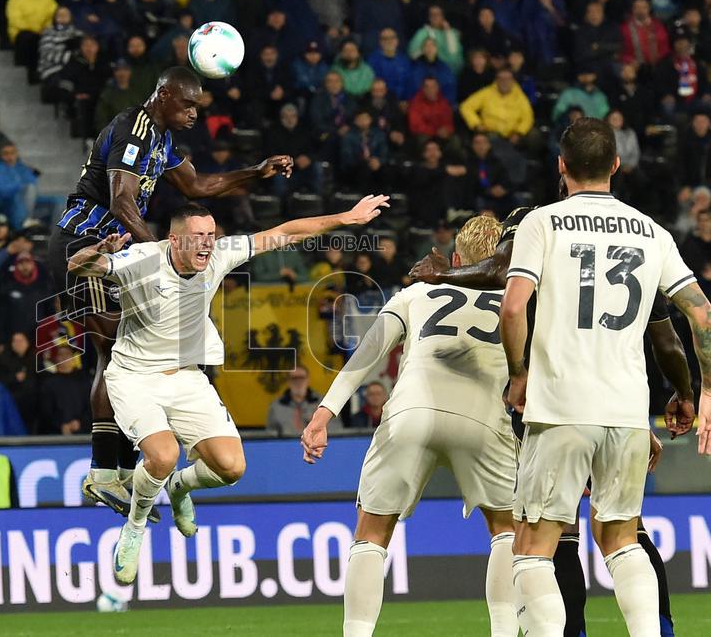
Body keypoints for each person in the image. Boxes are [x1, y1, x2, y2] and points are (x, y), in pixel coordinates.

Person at [409, 122, 695, 635]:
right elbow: (687, 322)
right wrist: (695, 393)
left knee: (537, 547)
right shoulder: (653, 232)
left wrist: (518, 376)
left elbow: (511, 298)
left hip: (558, 405)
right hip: (627, 410)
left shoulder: (540, 225)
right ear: (616, 164)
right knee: (625, 540)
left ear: (560, 166)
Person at [67, 195, 388, 583]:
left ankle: (178, 488)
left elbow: (284, 233)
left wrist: (346, 217)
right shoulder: (141, 261)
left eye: (211, 234)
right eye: (198, 235)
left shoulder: (220, 254)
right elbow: (77, 266)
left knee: (231, 467)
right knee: (164, 454)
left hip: (187, 377)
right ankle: (134, 528)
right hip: (135, 376)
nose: (208, 242)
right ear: (174, 240)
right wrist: (95, 252)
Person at [46, 66, 293, 517]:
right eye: (187, 104)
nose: (194, 113)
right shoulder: (134, 129)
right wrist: (157, 252)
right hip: (86, 249)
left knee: (120, 351)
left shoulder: (160, 141)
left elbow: (199, 186)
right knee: (115, 352)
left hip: (115, 252)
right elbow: (122, 200)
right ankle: (105, 473)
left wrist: (255, 173)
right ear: (162, 96)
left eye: (198, 106)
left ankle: (114, 473)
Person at [301, 216, 520, 637]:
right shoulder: (516, 298)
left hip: (411, 416)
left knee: (371, 533)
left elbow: (367, 353)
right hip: (484, 420)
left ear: (455, 259)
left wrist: (323, 414)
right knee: (506, 530)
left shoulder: (417, 291)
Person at [6, 0, 57, 71]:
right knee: (29, 38)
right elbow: (15, 20)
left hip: (44, 31)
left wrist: (46, 28)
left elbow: (53, 14)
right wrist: (37, 30)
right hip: (23, 33)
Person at [0, 143, 38, 229]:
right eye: (6, 153)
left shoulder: (22, 167)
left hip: (25, 200)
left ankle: (59, 233)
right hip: (6, 202)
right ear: (1, 156)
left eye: (12, 153)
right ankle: (26, 221)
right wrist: (18, 187)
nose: (10, 156)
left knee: (57, 201)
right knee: (18, 196)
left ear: (16, 154)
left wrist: (22, 187)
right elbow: (0, 190)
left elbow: (32, 181)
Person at [266, 366, 325, 436]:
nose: (298, 382)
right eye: (294, 378)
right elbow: (270, 435)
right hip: (286, 445)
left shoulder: (323, 403)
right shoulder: (276, 406)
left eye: (301, 378)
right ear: (288, 382)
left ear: (308, 380)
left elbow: (336, 431)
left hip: (316, 444)